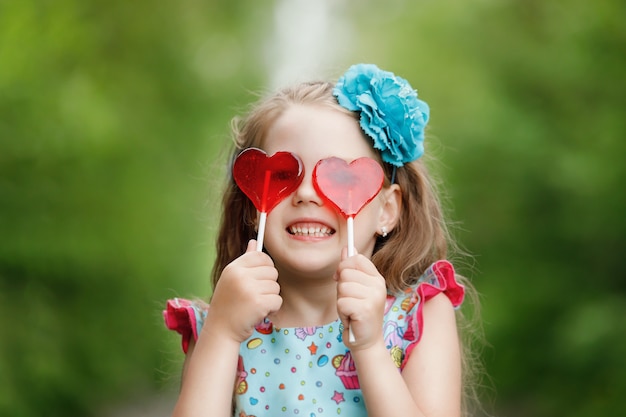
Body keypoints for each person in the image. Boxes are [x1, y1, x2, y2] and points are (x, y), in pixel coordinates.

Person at [164, 63, 480, 417]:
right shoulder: (221, 324)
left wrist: (371, 347)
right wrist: (221, 335)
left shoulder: (416, 319)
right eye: (284, 174)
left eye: (338, 176)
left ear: (386, 211)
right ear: (253, 204)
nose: (306, 193)